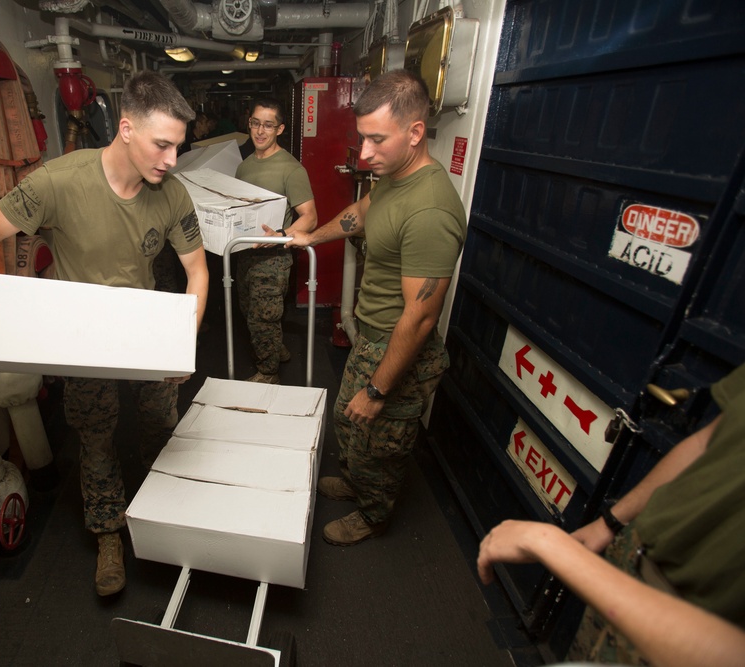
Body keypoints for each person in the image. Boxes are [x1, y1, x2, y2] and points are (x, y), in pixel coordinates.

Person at [0, 71, 208, 596]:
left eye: (178, 148)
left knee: (161, 427)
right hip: (81, 333)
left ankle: (168, 516)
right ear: (124, 129)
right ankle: (108, 534)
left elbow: (197, 271)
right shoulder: (59, 181)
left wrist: (181, 344)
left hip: (144, 326)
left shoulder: (172, 194)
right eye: (161, 145)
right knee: (95, 440)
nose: (171, 159)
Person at [281, 69, 467, 545]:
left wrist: (380, 389)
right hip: (373, 334)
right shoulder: (393, 176)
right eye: (362, 138)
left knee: (379, 437)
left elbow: (421, 315)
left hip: (397, 345)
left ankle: (374, 510)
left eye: (376, 140)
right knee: (349, 417)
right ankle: (358, 478)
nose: (364, 154)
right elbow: (361, 216)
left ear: (416, 132)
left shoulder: (430, 210)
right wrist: (308, 236)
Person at [477, 363, 745, 666]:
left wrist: (548, 543)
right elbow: (705, 443)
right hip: (634, 559)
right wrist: (610, 523)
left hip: (692, 624)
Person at [235, 99, 317, 384]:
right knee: (249, 312)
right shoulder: (244, 167)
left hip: (272, 259)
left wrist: (281, 236)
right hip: (245, 252)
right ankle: (274, 346)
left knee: (262, 317)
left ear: (279, 128)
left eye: (268, 125)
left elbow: (310, 217)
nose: (260, 131)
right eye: (255, 123)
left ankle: (268, 373)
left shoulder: (290, 168)